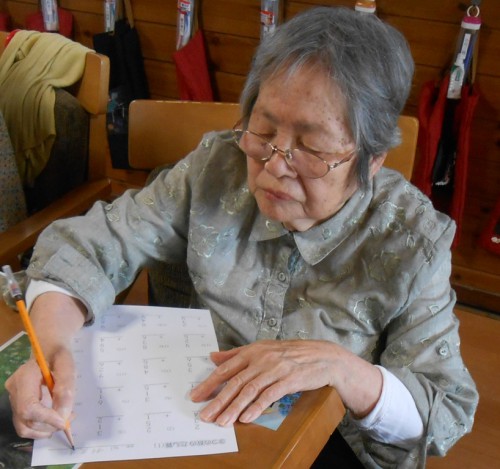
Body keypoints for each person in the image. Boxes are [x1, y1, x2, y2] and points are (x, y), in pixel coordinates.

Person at [5, 6, 477, 468]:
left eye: (311, 148)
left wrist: (343, 369)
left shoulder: (412, 240)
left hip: (328, 441)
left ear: (372, 161)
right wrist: (51, 349)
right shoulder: (216, 168)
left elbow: (445, 411)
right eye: (264, 131)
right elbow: (89, 246)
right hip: (187, 414)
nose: (274, 165)